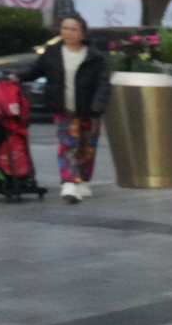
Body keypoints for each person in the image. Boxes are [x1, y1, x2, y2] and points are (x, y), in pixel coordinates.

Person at [13, 16, 110, 203]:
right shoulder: (52, 53)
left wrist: (98, 105)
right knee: (67, 145)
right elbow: (35, 70)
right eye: (65, 28)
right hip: (64, 109)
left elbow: (103, 83)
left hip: (89, 110)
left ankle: (82, 180)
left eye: (73, 29)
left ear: (83, 33)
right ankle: (69, 182)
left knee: (87, 147)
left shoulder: (94, 57)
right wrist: (17, 77)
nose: (68, 33)